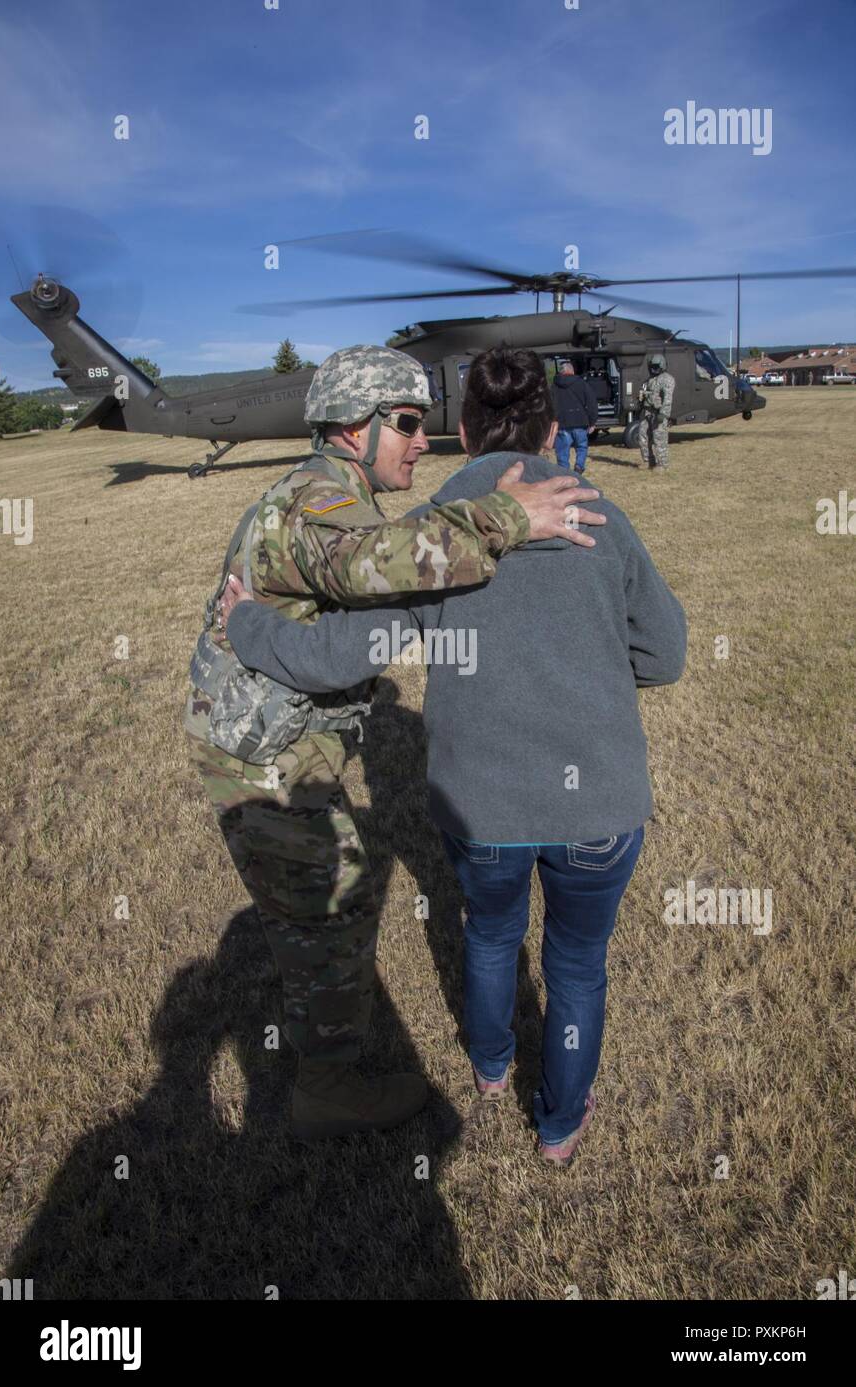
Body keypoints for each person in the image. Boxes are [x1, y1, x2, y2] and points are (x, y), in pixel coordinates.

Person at [219, 344, 688, 1165]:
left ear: (466, 429)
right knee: (578, 963)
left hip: (483, 804)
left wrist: (249, 622)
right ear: (550, 431)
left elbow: (338, 656)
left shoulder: (430, 533)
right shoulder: (602, 512)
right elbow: (667, 655)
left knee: (489, 933)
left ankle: (492, 1067)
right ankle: (560, 1126)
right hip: (601, 805)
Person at [551, 360, 598, 475]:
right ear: (572, 371)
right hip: (580, 421)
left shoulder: (553, 386)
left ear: (561, 372)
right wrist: (592, 422)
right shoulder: (582, 383)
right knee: (582, 447)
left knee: (562, 451)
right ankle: (579, 466)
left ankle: (564, 474)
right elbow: (592, 402)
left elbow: (549, 405)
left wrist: (551, 421)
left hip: (562, 423)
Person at [637, 352, 676, 470]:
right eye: (652, 366)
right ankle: (648, 460)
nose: (653, 369)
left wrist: (663, 414)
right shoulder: (650, 379)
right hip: (647, 411)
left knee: (659, 438)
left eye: (656, 367)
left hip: (658, 412)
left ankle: (662, 464)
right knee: (642, 435)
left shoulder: (667, 379)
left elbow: (668, 398)